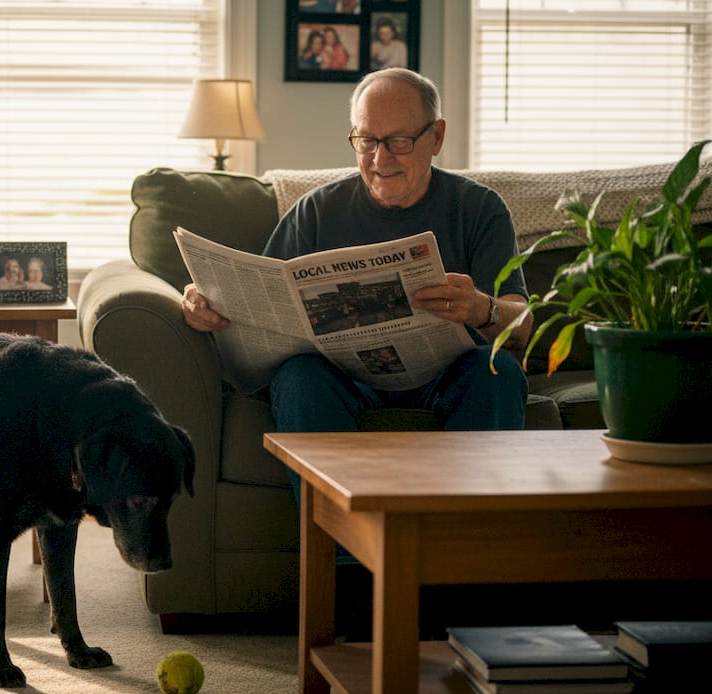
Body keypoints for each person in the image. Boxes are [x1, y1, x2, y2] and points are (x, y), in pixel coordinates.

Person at [181, 68, 532, 516]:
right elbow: (261, 305)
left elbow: (521, 326)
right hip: (342, 379)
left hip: (445, 376)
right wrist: (207, 302)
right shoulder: (314, 212)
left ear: (437, 137)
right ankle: (344, 565)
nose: (380, 158)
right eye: (366, 140)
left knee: (497, 369)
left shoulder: (480, 209)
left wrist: (482, 308)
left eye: (398, 141)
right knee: (297, 378)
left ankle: (459, 553)